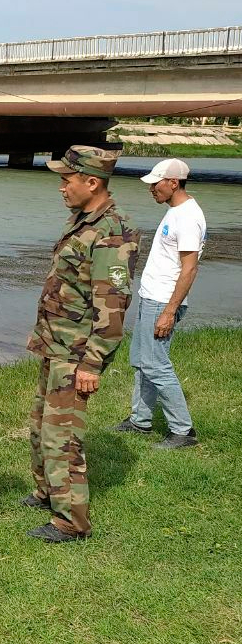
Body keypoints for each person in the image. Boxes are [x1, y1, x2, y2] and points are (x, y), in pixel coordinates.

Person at [24, 146, 139, 543]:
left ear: (92, 183)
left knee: (62, 436)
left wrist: (92, 364)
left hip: (75, 355)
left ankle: (71, 522)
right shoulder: (83, 220)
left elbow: (113, 307)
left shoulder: (112, 233)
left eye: (66, 180)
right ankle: (46, 493)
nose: (61, 188)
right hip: (55, 345)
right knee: (41, 426)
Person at [113, 159, 205, 448]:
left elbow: (190, 268)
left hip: (163, 301)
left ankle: (182, 431)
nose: (151, 188)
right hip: (151, 296)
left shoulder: (188, 216)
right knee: (142, 361)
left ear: (173, 183)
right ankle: (140, 420)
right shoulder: (175, 211)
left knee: (156, 364)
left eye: (156, 183)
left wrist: (169, 310)